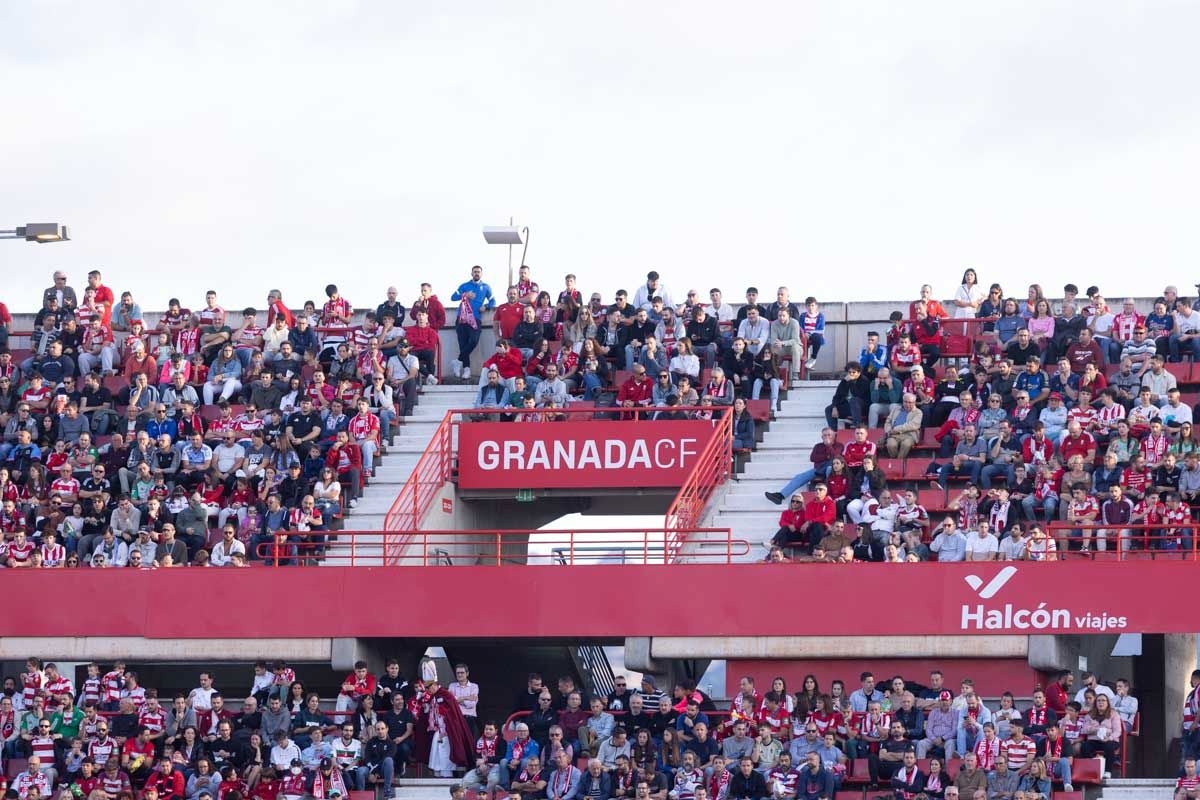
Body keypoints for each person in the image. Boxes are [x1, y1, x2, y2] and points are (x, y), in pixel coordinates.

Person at [424, 680, 474, 779]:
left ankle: (446, 772)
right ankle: (437, 770)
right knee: (436, 748)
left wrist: (445, 725)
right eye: (428, 688)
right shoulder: (434, 696)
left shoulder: (446, 694)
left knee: (445, 749)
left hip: (448, 728)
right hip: (438, 727)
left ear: (435, 684)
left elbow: (451, 712)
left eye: (431, 687)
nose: (430, 689)